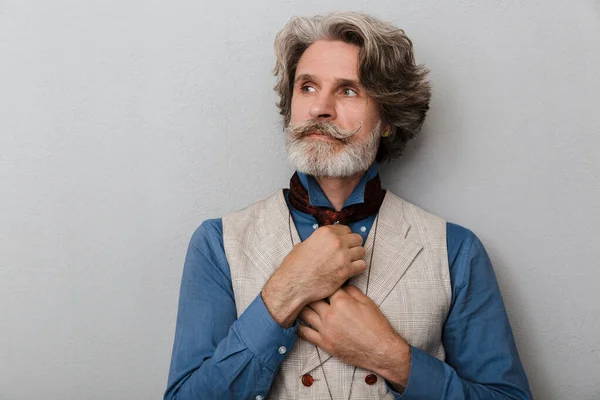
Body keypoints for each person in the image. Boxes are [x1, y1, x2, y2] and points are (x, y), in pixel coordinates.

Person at [164, 11, 532, 400]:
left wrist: (392, 358)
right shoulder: (217, 243)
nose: (320, 108)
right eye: (307, 87)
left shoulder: (455, 250)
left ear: (388, 118)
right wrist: (284, 294)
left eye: (348, 90)